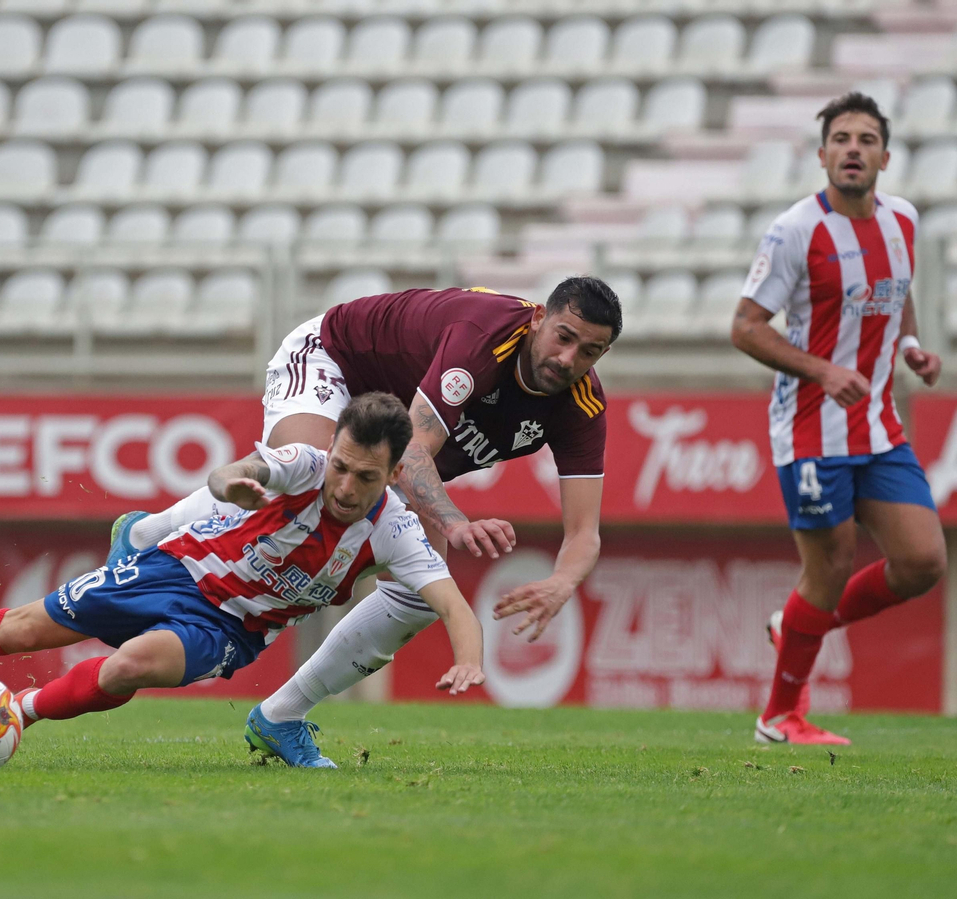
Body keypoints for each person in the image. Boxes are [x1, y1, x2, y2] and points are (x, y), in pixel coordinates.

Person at [107, 279, 620, 766]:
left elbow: (583, 533)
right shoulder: (483, 338)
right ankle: (146, 533)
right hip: (334, 361)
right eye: (564, 337)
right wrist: (455, 520)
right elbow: (416, 453)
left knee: (422, 588)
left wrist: (560, 583)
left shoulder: (581, 406)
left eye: (589, 351)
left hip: (394, 438)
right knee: (311, 475)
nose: (568, 358)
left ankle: (282, 716)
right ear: (537, 319)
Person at [0, 394, 485, 756]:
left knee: (130, 664)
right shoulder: (304, 464)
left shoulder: (393, 530)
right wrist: (233, 480)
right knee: (23, 627)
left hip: (230, 626)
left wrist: (470, 659)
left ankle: (13, 718)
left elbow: (450, 602)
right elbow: (228, 475)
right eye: (341, 464)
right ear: (333, 448)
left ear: (395, 473)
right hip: (174, 566)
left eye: (364, 476)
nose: (343, 484)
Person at [733, 92, 946, 746]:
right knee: (828, 567)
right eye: (842, 138)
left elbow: (896, 293)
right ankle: (779, 715)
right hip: (810, 426)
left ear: (885, 155)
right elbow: (745, 328)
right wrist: (823, 371)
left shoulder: (903, 220)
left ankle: (798, 623)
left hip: (878, 424)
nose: (853, 148)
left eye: (866, 138)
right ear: (822, 154)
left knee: (922, 561)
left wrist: (909, 347)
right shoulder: (796, 229)